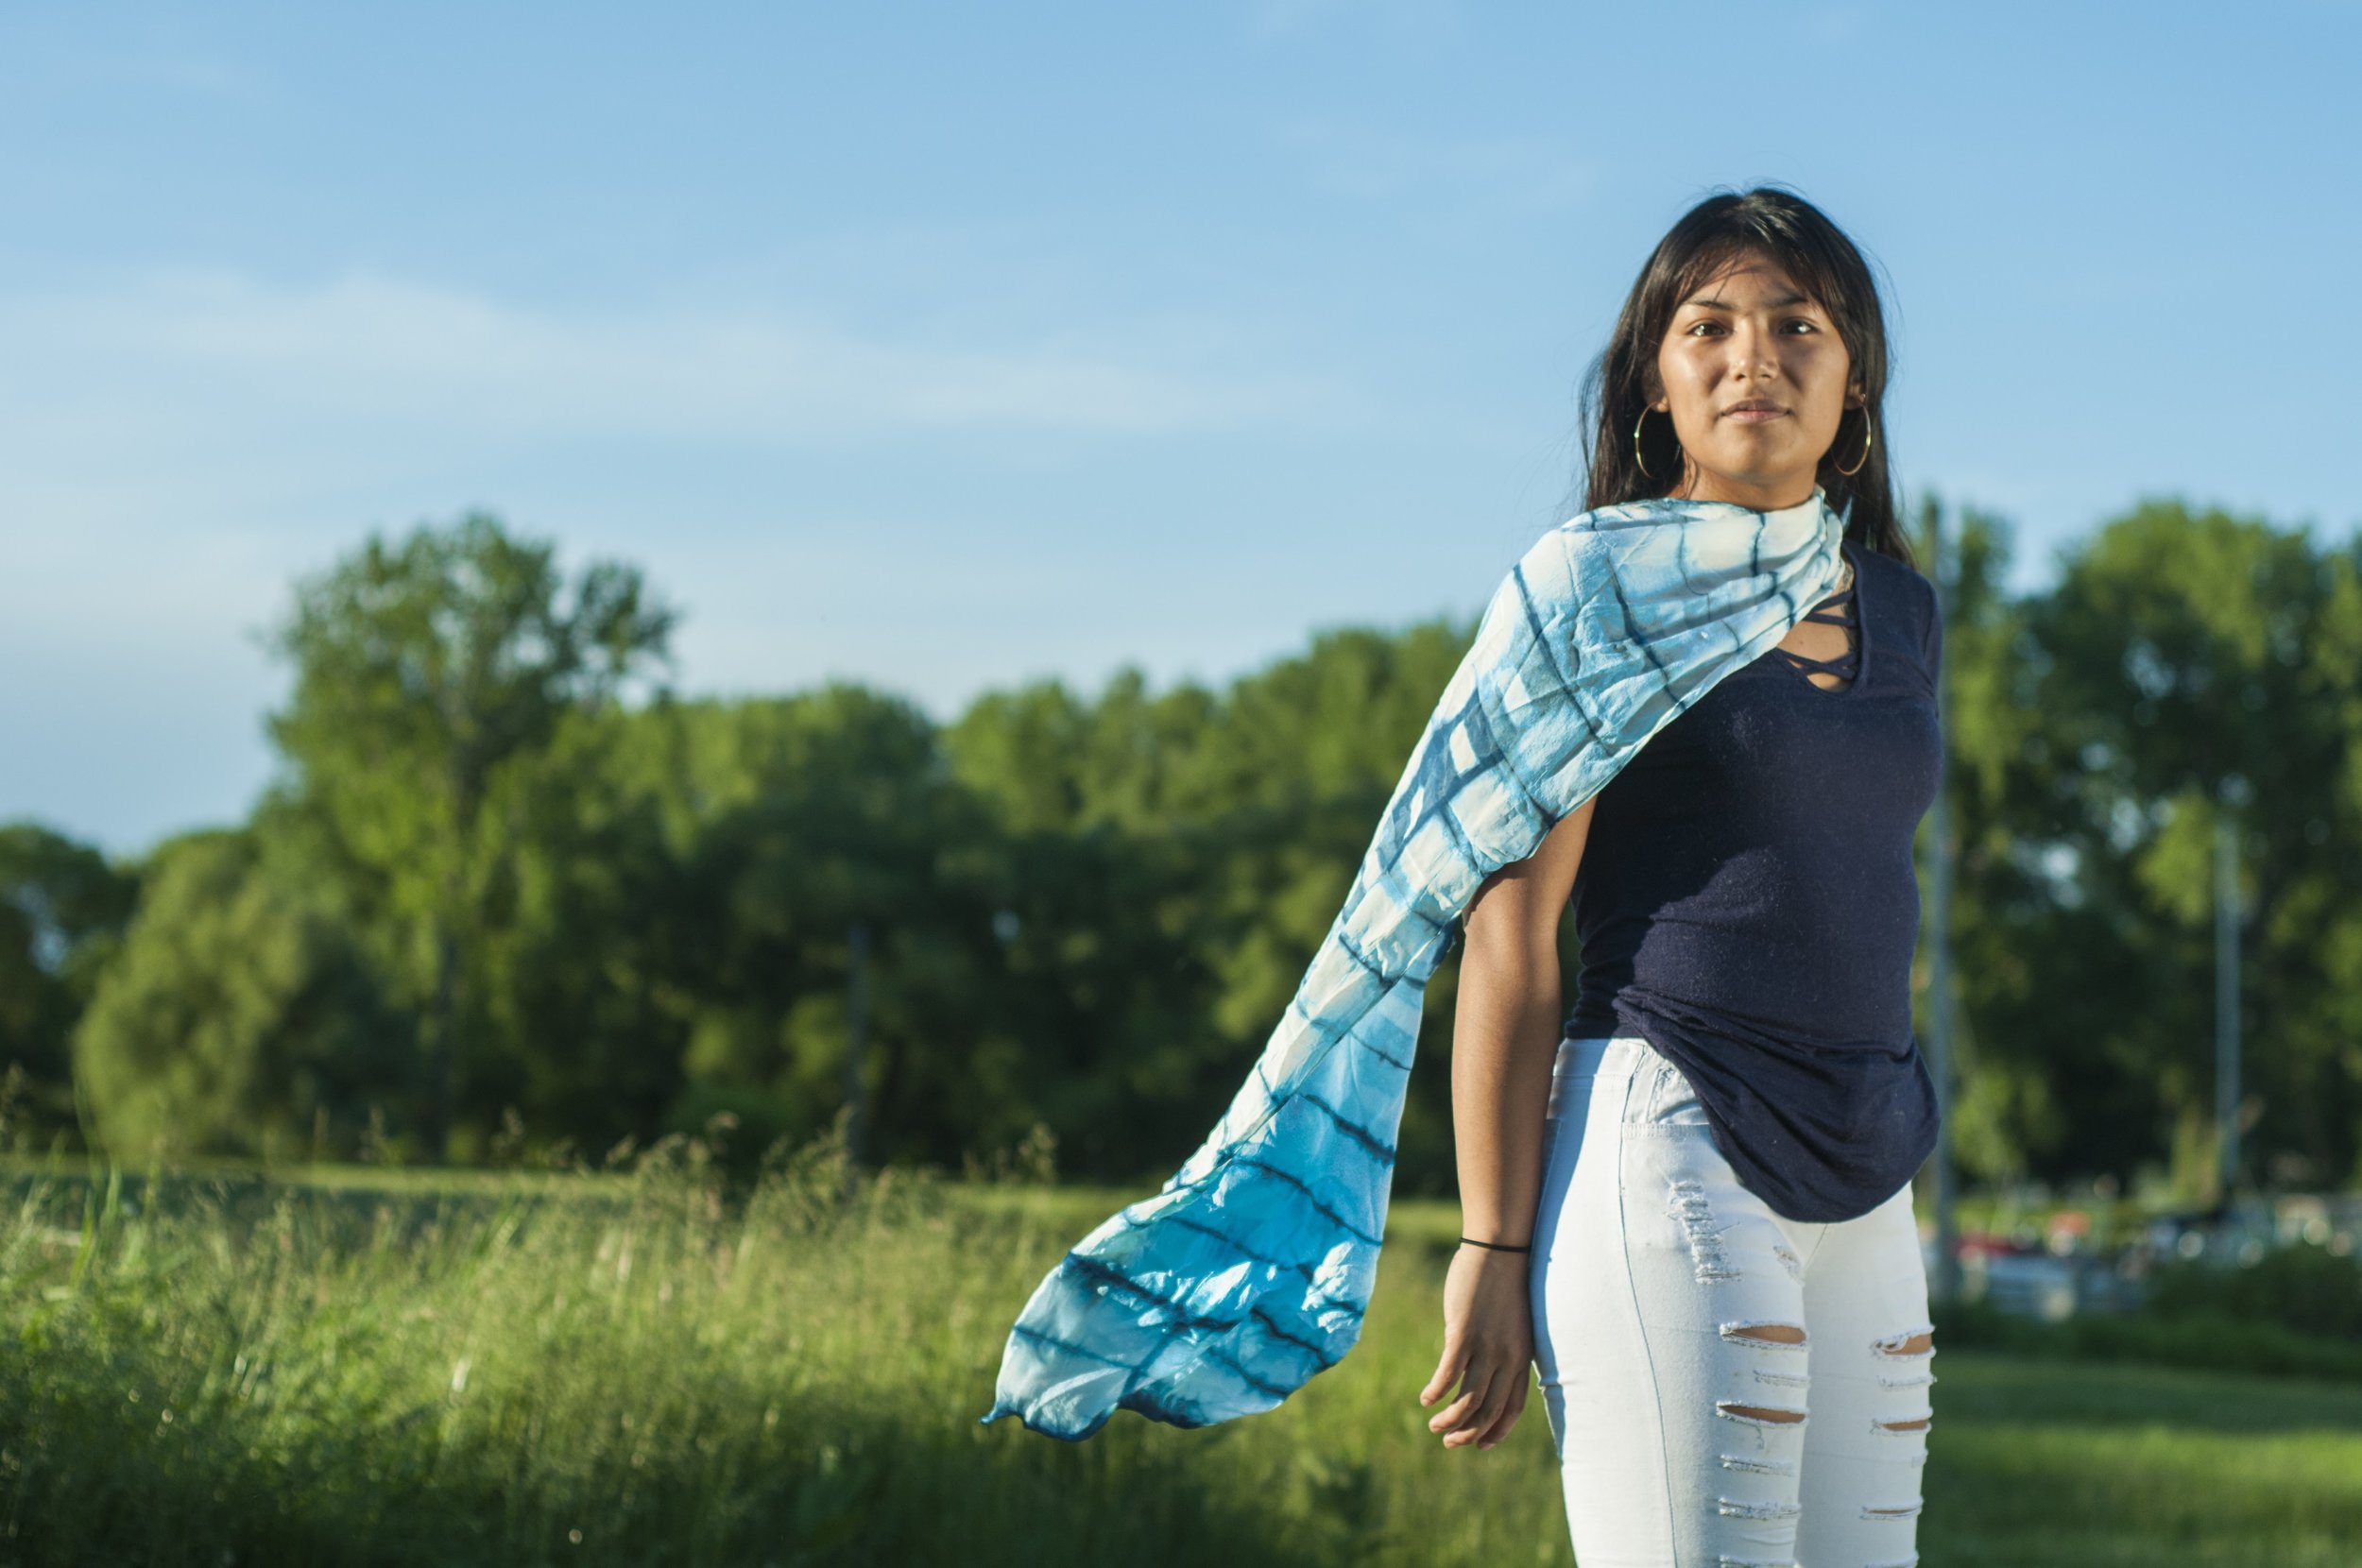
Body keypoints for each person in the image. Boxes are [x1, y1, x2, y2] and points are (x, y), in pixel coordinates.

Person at [1416, 186, 1944, 1567]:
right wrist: (1490, 1241)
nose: (1752, 357)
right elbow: (1512, 942)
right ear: (1654, 378)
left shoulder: (1901, 610)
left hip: (1871, 1168)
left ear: (1856, 378)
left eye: (1797, 325)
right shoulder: (1595, 594)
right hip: (1674, 1141)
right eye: (1707, 325)